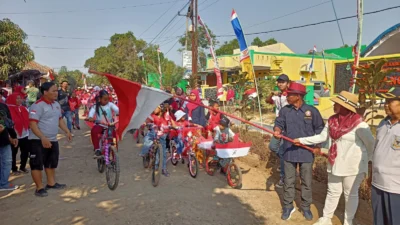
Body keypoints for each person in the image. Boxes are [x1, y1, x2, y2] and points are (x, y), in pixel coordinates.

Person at [294, 91, 374, 225]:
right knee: (332, 191)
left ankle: (348, 221)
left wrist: (369, 163)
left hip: (353, 165)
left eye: (337, 103)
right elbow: (321, 137)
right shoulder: (332, 120)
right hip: (335, 162)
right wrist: (301, 140)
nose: (334, 105)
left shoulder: (360, 125)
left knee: (350, 194)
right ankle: (326, 218)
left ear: (345, 107)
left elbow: (371, 145)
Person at [273, 82, 324, 221]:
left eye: (289, 94)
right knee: (289, 181)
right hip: (289, 151)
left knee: (306, 182)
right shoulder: (285, 111)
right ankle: (288, 206)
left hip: (306, 153)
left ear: (298, 96)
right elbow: (278, 124)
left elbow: (320, 129)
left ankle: (306, 207)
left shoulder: (312, 111)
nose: (287, 96)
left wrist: (318, 146)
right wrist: (277, 131)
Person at [29, 82, 72, 197]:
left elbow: (59, 120)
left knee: (51, 163)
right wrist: (42, 137)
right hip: (37, 140)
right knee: (37, 164)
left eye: (56, 90)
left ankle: (51, 183)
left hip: (53, 139)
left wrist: (67, 131)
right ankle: (39, 188)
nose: (56, 93)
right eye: (53, 91)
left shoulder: (56, 104)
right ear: (45, 92)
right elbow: (33, 124)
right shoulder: (37, 106)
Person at [371, 87, 400, 225]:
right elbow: (377, 149)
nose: (385, 105)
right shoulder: (383, 123)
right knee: (379, 221)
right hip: (377, 184)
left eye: (390, 101)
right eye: (385, 101)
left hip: (396, 187)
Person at [267, 74, 291, 188]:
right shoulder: (277, 96)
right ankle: (285, 159)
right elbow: (268, 101)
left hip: (288, 125)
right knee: (273, 146)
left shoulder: (291, 95)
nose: (280, 84)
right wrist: (272, 94)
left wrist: (286, 94)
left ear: (288, 83)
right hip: (278, 125)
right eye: (279, 82)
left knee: (282, 150)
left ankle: (283, 177)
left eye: (283, 82)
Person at [87, 90, 119, 157]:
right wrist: (90, 117)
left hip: (110, 125)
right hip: (100, 125)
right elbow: (91, 114)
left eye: (107, 99)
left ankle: (114, 157)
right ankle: (97, 149)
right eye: (104, 99)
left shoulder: (110, 104)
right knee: (94, 131)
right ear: (99, 99)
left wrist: (121, 112)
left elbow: (117, 110)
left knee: (113, 139)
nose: (106, 101)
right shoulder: (95, 106)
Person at [140, 106, 170, 177]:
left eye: (156, 107)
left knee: (163, 153)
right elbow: (146, 122)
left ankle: (163, 169)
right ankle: (145, 154)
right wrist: (145, 124)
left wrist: (171, 126)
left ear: (160, 109)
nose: (154, 109)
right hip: (153, 134)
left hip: (162, 135)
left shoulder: (165, 116)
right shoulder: (151, 116)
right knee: (147, 142)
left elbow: (170, 123)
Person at [6, 93, 30, 175]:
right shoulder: (8, 110)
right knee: (13, 153)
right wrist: (10, 136)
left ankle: (22, 167)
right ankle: (14, 169)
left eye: (20, 98)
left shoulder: (24, 108)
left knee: (25, 152)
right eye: (17, 98)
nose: (20, 100)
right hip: (14, 136)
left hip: (25, 134)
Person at [0, 101, 19, 191]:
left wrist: (13, 136)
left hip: (4, 139)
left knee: (7, 162)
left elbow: (9, 123)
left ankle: (3, 183)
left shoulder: (3, 106)